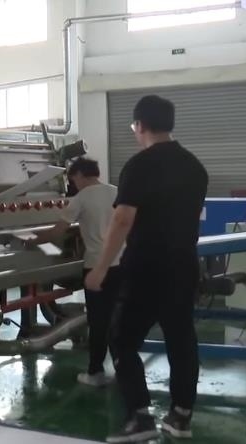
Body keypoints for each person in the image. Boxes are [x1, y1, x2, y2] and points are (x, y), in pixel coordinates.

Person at [84, 95, 208, 442]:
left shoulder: (139, 165)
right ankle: (181, 417)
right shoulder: (194, 166)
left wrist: (100, 268)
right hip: (184, 265)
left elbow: (123, 219)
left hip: (146, 268)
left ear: (140, 125)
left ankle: (140, 418)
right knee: (181, 339)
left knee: (121, 339)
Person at [26, 157, 123, 386]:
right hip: (121, 264)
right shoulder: (116, 192)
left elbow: (58, 232)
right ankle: (123, 367)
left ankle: (95, 372)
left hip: (96, 266)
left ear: (79, 175)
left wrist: (31, 240)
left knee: (98, 321)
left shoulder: (81, 198)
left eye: (73, 179)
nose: (73, 184)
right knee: (118, 319)